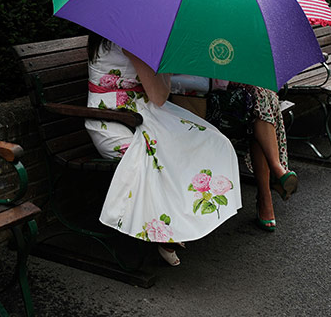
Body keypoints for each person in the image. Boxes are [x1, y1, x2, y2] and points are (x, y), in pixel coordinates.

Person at [85, 34, 242, 266]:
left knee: (212, 141)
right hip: (111, 120)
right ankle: (161, 232)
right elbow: (159, 95)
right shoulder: (132, 39)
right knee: (159, 156)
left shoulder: (109, 33)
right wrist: (168, 61)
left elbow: (153, 97)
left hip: (136, 112)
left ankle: (174, 224)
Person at [170, 77, 298, 232]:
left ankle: (270, 187)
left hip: (225, 91)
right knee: (262, 103)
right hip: (201, 99)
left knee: (264, 97)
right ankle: (274, 179)